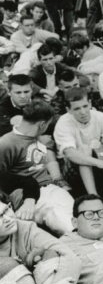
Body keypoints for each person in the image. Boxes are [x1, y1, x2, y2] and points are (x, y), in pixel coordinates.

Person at [0, 100, 75, 235]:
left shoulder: (35, 135)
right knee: (71, 227)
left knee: (81, 217)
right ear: (42, 124)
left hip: (50, 188)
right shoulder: (6, 143)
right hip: (29, 194)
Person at [54, 87, 103, 196]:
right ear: (68, 110)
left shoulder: (100, 117)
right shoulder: (63, 123)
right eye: (77, 109)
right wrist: (100, 163)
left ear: (90, 103)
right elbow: (70, 153)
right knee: (84, 148)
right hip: (74, 167)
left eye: (85, 106)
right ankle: (93, 195)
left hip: (100, 162)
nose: (83, 112)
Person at [0, 191, 81, 284]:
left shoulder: (26, 228)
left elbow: (69, 256)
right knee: (6, 265)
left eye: (6, 210)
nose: (8, 219)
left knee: (50, 254)